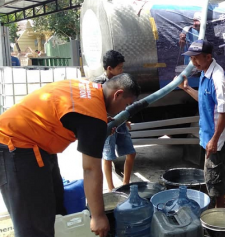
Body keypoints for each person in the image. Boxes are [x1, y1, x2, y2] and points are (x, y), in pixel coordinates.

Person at [0, 73, 140, 237]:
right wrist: (98, 216)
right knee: (33, 224)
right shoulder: (93, 118)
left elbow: (77, 117)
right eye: (126, 104)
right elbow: (90, 169)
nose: (123, 110)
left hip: (39, 144)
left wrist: (101, 125)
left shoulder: (89, 89)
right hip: (15, 146)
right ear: (118, 94)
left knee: (55, 206)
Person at [177, 39, 225, 207]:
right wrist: (186, 89)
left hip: (219, 137)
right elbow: (202, 99)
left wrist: (214, 140)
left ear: (208, 57)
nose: (193, 62)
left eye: (196, 58)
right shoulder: (205, 72)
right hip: (214, 134)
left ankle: (218, 211)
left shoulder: (217, 78)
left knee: (215, 176)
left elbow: (224, 111)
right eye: (191, 58)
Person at [93, 50, 136, 191]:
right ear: (109, 68)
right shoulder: (99, 84)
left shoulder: (120, 81)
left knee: (131, 153)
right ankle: (112, 189)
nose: (122, 71)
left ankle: (126, 183)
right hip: (106, 124)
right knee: (108, 156)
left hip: (120, 122)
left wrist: (125, 119)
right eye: (120, 68)